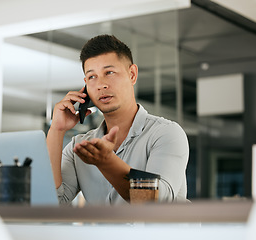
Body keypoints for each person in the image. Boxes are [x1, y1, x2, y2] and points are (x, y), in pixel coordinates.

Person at [46, 34, 189, 205]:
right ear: (85, 86)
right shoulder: (80, 147)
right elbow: (52, 202)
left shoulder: (166, 133)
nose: (101, 84)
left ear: (132, 74)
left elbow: (155, 202)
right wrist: (57, 130)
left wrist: (106, 162)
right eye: (92, 77)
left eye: (110, 72)